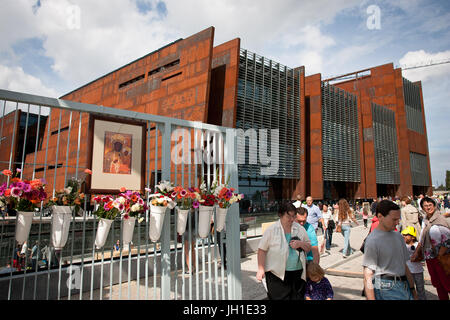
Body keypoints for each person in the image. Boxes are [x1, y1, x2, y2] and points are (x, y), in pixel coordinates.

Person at [362, 200, 418, 300]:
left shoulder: (398, 236)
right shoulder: (373, 240)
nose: (397, 222)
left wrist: (412, 289)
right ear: (380, 216)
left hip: (404, 285)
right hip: (385, 287)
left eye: (398, 219)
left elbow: (404, 266)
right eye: (394, 219)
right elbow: (368, 274)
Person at [256, 202, 311, 300]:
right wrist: (260, 269)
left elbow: (308, 247)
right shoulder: (271, 230)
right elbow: (262, 250)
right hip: (276, 274)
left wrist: (300, 244)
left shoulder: (299, 228)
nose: (291, 219)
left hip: (297, 273)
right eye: (288, 216)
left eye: (293, 216)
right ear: (280, 215)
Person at [412, 197, 450, 300]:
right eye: (426, 206)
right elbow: (422, 237)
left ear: (434, 206)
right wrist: (417, 251)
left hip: (440, 258)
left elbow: (447, 240)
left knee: (447, 283)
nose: (428, 208)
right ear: (422, 208)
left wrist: (440, 256)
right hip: (430, 257)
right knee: (438, 285)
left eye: (430, 205)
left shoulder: (439, 219)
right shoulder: (426, 219)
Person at [401, 226, 426, 300]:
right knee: (408, 289)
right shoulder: (402, 245)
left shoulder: (418, 245)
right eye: (403, 235)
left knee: (420, 289)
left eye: (406, 235)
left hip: (418, 271)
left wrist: (419, 258)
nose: (404, 236)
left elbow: (423, 257)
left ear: (412, 237)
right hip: (407, 271)